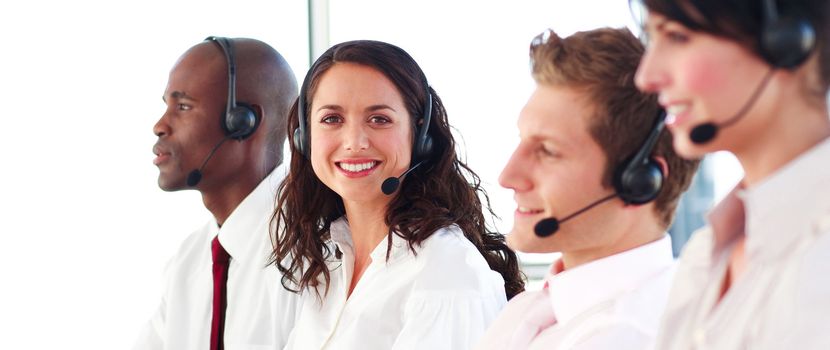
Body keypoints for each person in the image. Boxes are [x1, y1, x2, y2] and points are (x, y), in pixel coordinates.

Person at [271, 39, 524, 349]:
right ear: (303, 137)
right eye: (332, 119)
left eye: (379, 119)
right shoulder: (329, 262)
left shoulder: (445, 274)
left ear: (419, 137)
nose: (354, 141)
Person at [476, 27, 700, 349]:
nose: (508, 175)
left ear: (639, 181)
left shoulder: (629, 336)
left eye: (548, 151)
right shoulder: (529, 311)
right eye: (522, 141)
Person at [633, 0, 830, 348]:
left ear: (785, 42)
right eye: (651, 39)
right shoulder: (704, 253)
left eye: (678, 37)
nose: (646, 77)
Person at [134, 37, 300, 350]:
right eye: (166, 106)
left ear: (243, 123)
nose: (159, 125)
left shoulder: (310, 254)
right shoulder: (189, 261)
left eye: (183, 106)